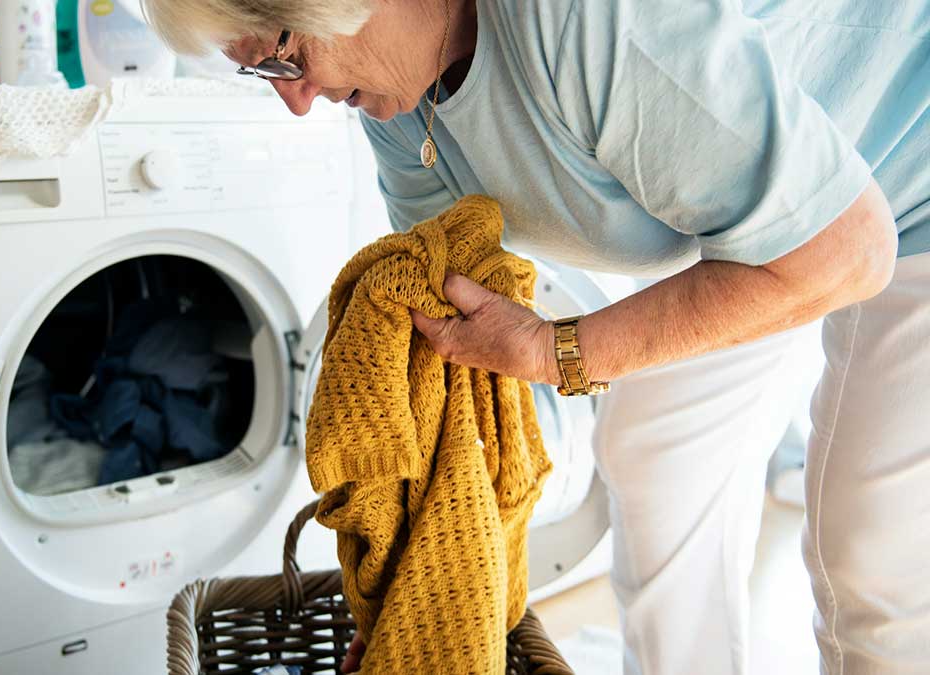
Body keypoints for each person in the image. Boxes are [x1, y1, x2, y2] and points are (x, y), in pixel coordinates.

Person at [142, 1, 930, 673]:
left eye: (284, 55)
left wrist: (561, 350)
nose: (299, 100)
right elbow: (443, 369)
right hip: (762, 224)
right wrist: (403, 613)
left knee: (868, 553)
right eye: (264, 72)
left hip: (903, 181)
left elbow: (844, 251)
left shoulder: (582, 20)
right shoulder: (393, 99)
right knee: (651, 448)